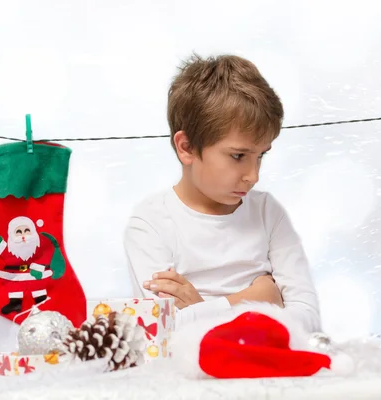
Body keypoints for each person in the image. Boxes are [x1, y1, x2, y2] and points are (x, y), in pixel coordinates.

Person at [123, 54, 321, 332]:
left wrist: (199, 309)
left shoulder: (267, 213)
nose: (253, 176)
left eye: (260, 155)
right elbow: (162, 331)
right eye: (238, 156)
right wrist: (257, 300)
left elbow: (308, 321)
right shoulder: (151, 224)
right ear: (187, 147)